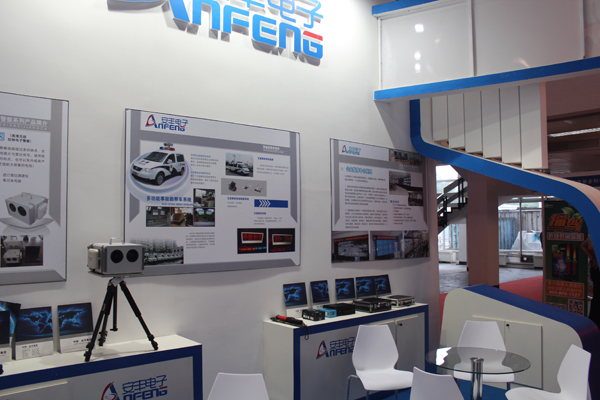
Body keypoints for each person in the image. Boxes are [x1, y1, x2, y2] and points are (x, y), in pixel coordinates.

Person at [581, 236, 600, 329]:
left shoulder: (593, 235)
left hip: (594, 267)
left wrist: (592, 257)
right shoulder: (594, 236)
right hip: (596, 268)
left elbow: (583, 245)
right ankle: (595, 320)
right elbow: (587, 246)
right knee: (597, 296)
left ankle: (594, 320)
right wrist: (593, 257)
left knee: (597, 295)